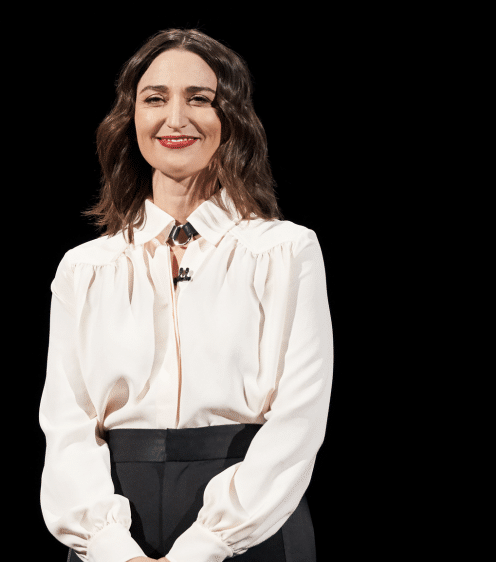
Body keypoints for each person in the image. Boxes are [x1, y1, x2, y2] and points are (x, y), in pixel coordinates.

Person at [39, 29, 332, 562]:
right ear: (132, 119)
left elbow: (300, 417)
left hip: (254, 523)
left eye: (199, 98)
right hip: (115, 525)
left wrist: (206, 544)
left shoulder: (286, 251)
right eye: (155, 99)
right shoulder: (86, 267)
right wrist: (109, 548)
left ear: (233, 118)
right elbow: (66, 424)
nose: (176, 119)